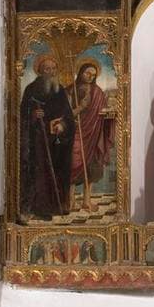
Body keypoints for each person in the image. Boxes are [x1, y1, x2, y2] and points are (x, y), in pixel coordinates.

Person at [20, 54, 75, 221]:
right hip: (38, 140)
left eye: (53, 69)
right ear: (40, 71)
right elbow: (22, 115)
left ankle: (59, 205)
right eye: (47, 69)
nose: (51, 72)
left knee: (59, 169)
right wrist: (33, 115)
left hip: (57, 140)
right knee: (41, 172)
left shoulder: (60, 90)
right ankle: (41, 208)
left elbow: (68, 116)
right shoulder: (31, 90)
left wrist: (62, 125)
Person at [67, 60, 114, 212]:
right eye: (87, 73)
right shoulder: (70, 90)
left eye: (93, 75)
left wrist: (108, 114)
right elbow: (65, 114)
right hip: (75, 132)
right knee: (73, 164)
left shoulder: (98, 92)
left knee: (92, 166)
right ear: (81, 72)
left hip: (94, 132)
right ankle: (70, 201)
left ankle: (86, 201)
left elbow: (103, 110)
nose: (90, 77)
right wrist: (81, 107)